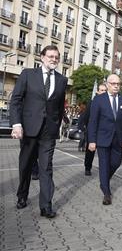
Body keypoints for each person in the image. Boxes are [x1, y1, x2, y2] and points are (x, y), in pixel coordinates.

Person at [10, 45, 68, 218]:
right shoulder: (28, 74)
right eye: (50, 56)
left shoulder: (62, 80)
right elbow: (16, 101)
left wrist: (55, 127)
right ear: (42, 57)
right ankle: (22, 195)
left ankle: (46, 205)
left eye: (56, 57)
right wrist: (16, 124)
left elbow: (58, 107)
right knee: (26, 165)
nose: (53, 59)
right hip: (28, 129)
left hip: (48, 133)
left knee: (46, 167)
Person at [87, 74, 122, 205]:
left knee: (116, 162)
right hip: (102, 139)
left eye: (118, 84)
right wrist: (92, 140)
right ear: (107, 85)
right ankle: (106, 192)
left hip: (118, 139)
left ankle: (104, 179)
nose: (116, 86)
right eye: (113, 83)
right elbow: (93, 121)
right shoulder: (98, 100)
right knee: (104, 165)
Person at [78, 83, 107, 176]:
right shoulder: (92, 102)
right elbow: (86, 116)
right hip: (93, 131)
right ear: (98, 91)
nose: (103, 92)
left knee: (104, 152)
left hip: (104, 132)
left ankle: (105, 170)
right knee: (90, 151)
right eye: (102, 90)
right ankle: (87, 167)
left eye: (105, 90)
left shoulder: (109, 103)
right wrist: (87, 129)